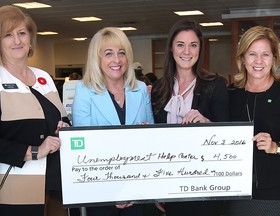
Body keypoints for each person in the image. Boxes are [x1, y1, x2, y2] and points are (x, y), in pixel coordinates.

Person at [0, 5, 70, 216]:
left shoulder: (44, 77)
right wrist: (34, 151)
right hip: (14, 191)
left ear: (30, 38)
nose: (17, 41)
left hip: (56, 185)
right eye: (8, 35)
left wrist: (64, 128)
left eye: (22, 33)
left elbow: (62, 119)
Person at [72, 27, 154, 216]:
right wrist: (112, 191)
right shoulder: (84, 91)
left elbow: (151, 138)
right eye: (108, 54)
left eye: (121, 53)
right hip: (100, 190)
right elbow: (85, 150)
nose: (116, 60)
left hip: (137, 189)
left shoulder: (140, 89)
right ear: (97, 59)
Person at [151, 19, 229, 216]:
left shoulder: (215, 85)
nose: (187, 51)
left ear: (200, 49)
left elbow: (228, 138)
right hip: (170, 182)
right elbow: (154, 143)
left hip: (207, 185)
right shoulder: (159, 89)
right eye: (180, 45)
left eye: (193, 45)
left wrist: (206, 123)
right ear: (171, 48)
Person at [227, 26, 280, 216]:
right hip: (236, 194)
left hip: (275, 197)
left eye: (265, 54)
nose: (258, 61)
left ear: (274, 58)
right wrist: (205, 122)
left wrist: (276, 147)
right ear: (242, 58)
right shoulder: (230, 94)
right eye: (252, 54)